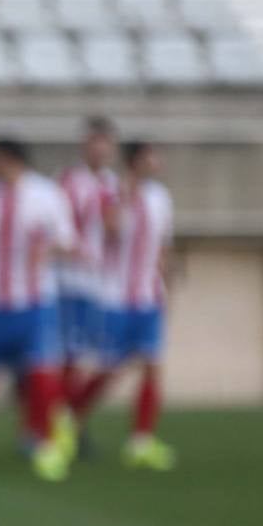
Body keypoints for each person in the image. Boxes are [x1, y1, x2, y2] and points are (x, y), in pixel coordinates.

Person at [0, 138, 76, 482]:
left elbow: (67, 241)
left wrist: (47, 251)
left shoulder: (45, 194)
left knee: (40, 374)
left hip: (35, 300)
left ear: (10, 159)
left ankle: (44, 443)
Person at [68, 140, 177, 471]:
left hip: (149, 296)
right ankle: (70, 418)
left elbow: (163, 245)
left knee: (152, 365)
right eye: (149, 156)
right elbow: (110, 229)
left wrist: (166, 284)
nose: (156, 161)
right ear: (135, 161)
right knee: (110, 368)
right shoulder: (112, 191)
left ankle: (141, 441)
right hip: (114, 295)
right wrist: (127, 194)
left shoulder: (161, 197)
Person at [56, 117, 119, 452]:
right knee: (70, 356)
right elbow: (57, 224)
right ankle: (63, 426)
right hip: (71, 281)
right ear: (84, 146)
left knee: (106, 358)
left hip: (103, 284)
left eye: (105, 143)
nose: (100, 149)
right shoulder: (69, 181)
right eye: (95, 142)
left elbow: (117, 232)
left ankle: (70, 421)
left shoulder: (114, 184)